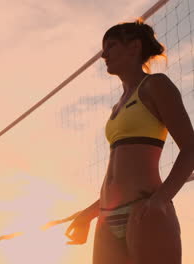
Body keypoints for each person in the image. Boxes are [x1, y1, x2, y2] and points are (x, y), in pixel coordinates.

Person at [63, 19, 194, 263]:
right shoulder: (117, 106)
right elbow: (119, 174)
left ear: (134, 47)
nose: (104, 54)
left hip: (144, 210)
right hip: (106, 216)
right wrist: (87, 215)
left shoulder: (156, 85)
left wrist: (161, 200)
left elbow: (190, 148)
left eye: (111, 46)